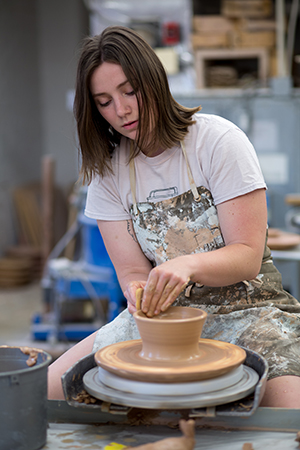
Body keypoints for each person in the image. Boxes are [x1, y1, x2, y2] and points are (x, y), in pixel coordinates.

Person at [48, 25, 300, 407]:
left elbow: (248, 255)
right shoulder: (108, 173)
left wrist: (185, 266)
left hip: (252, 312)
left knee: (289, 411)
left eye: (130, 91)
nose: (121, 110)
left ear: (154, 80)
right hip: (163, 321)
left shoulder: (217, 141)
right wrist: (138, 293)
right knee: (50, 391)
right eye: (103, 101)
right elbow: (133, 272)